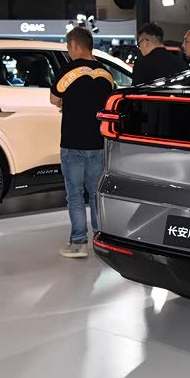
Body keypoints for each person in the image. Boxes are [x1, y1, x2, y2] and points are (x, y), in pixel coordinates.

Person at [49, 27, 115, 258]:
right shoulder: (106, 74)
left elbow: (54, 98)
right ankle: (100, 238)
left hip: (73, 142)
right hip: (98, 143)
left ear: (75, 45)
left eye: (69, 47)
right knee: (96, 193)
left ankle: (78, 243)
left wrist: (66, 102)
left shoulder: (69, 70)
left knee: (75, 195)